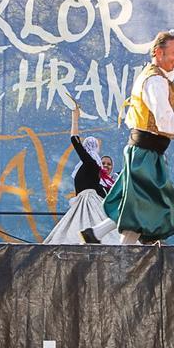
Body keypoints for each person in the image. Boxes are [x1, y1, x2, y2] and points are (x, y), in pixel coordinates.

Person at [82, 25, 174, 245]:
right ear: (158, 53)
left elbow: (169, 72)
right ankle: (124, 255)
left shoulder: (157, 75)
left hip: (147, 151)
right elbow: (165, 120)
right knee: (145, 206)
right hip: (145, 153)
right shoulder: (154, 82)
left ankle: (96, 234)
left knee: (133, 202)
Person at [45, 104, 120, 244]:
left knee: (75, 234)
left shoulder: (89, 164)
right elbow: (99, 189)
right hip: (87, 202)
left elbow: (75, 140)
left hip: (87, 202)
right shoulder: (91, 166)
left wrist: (75, 117)